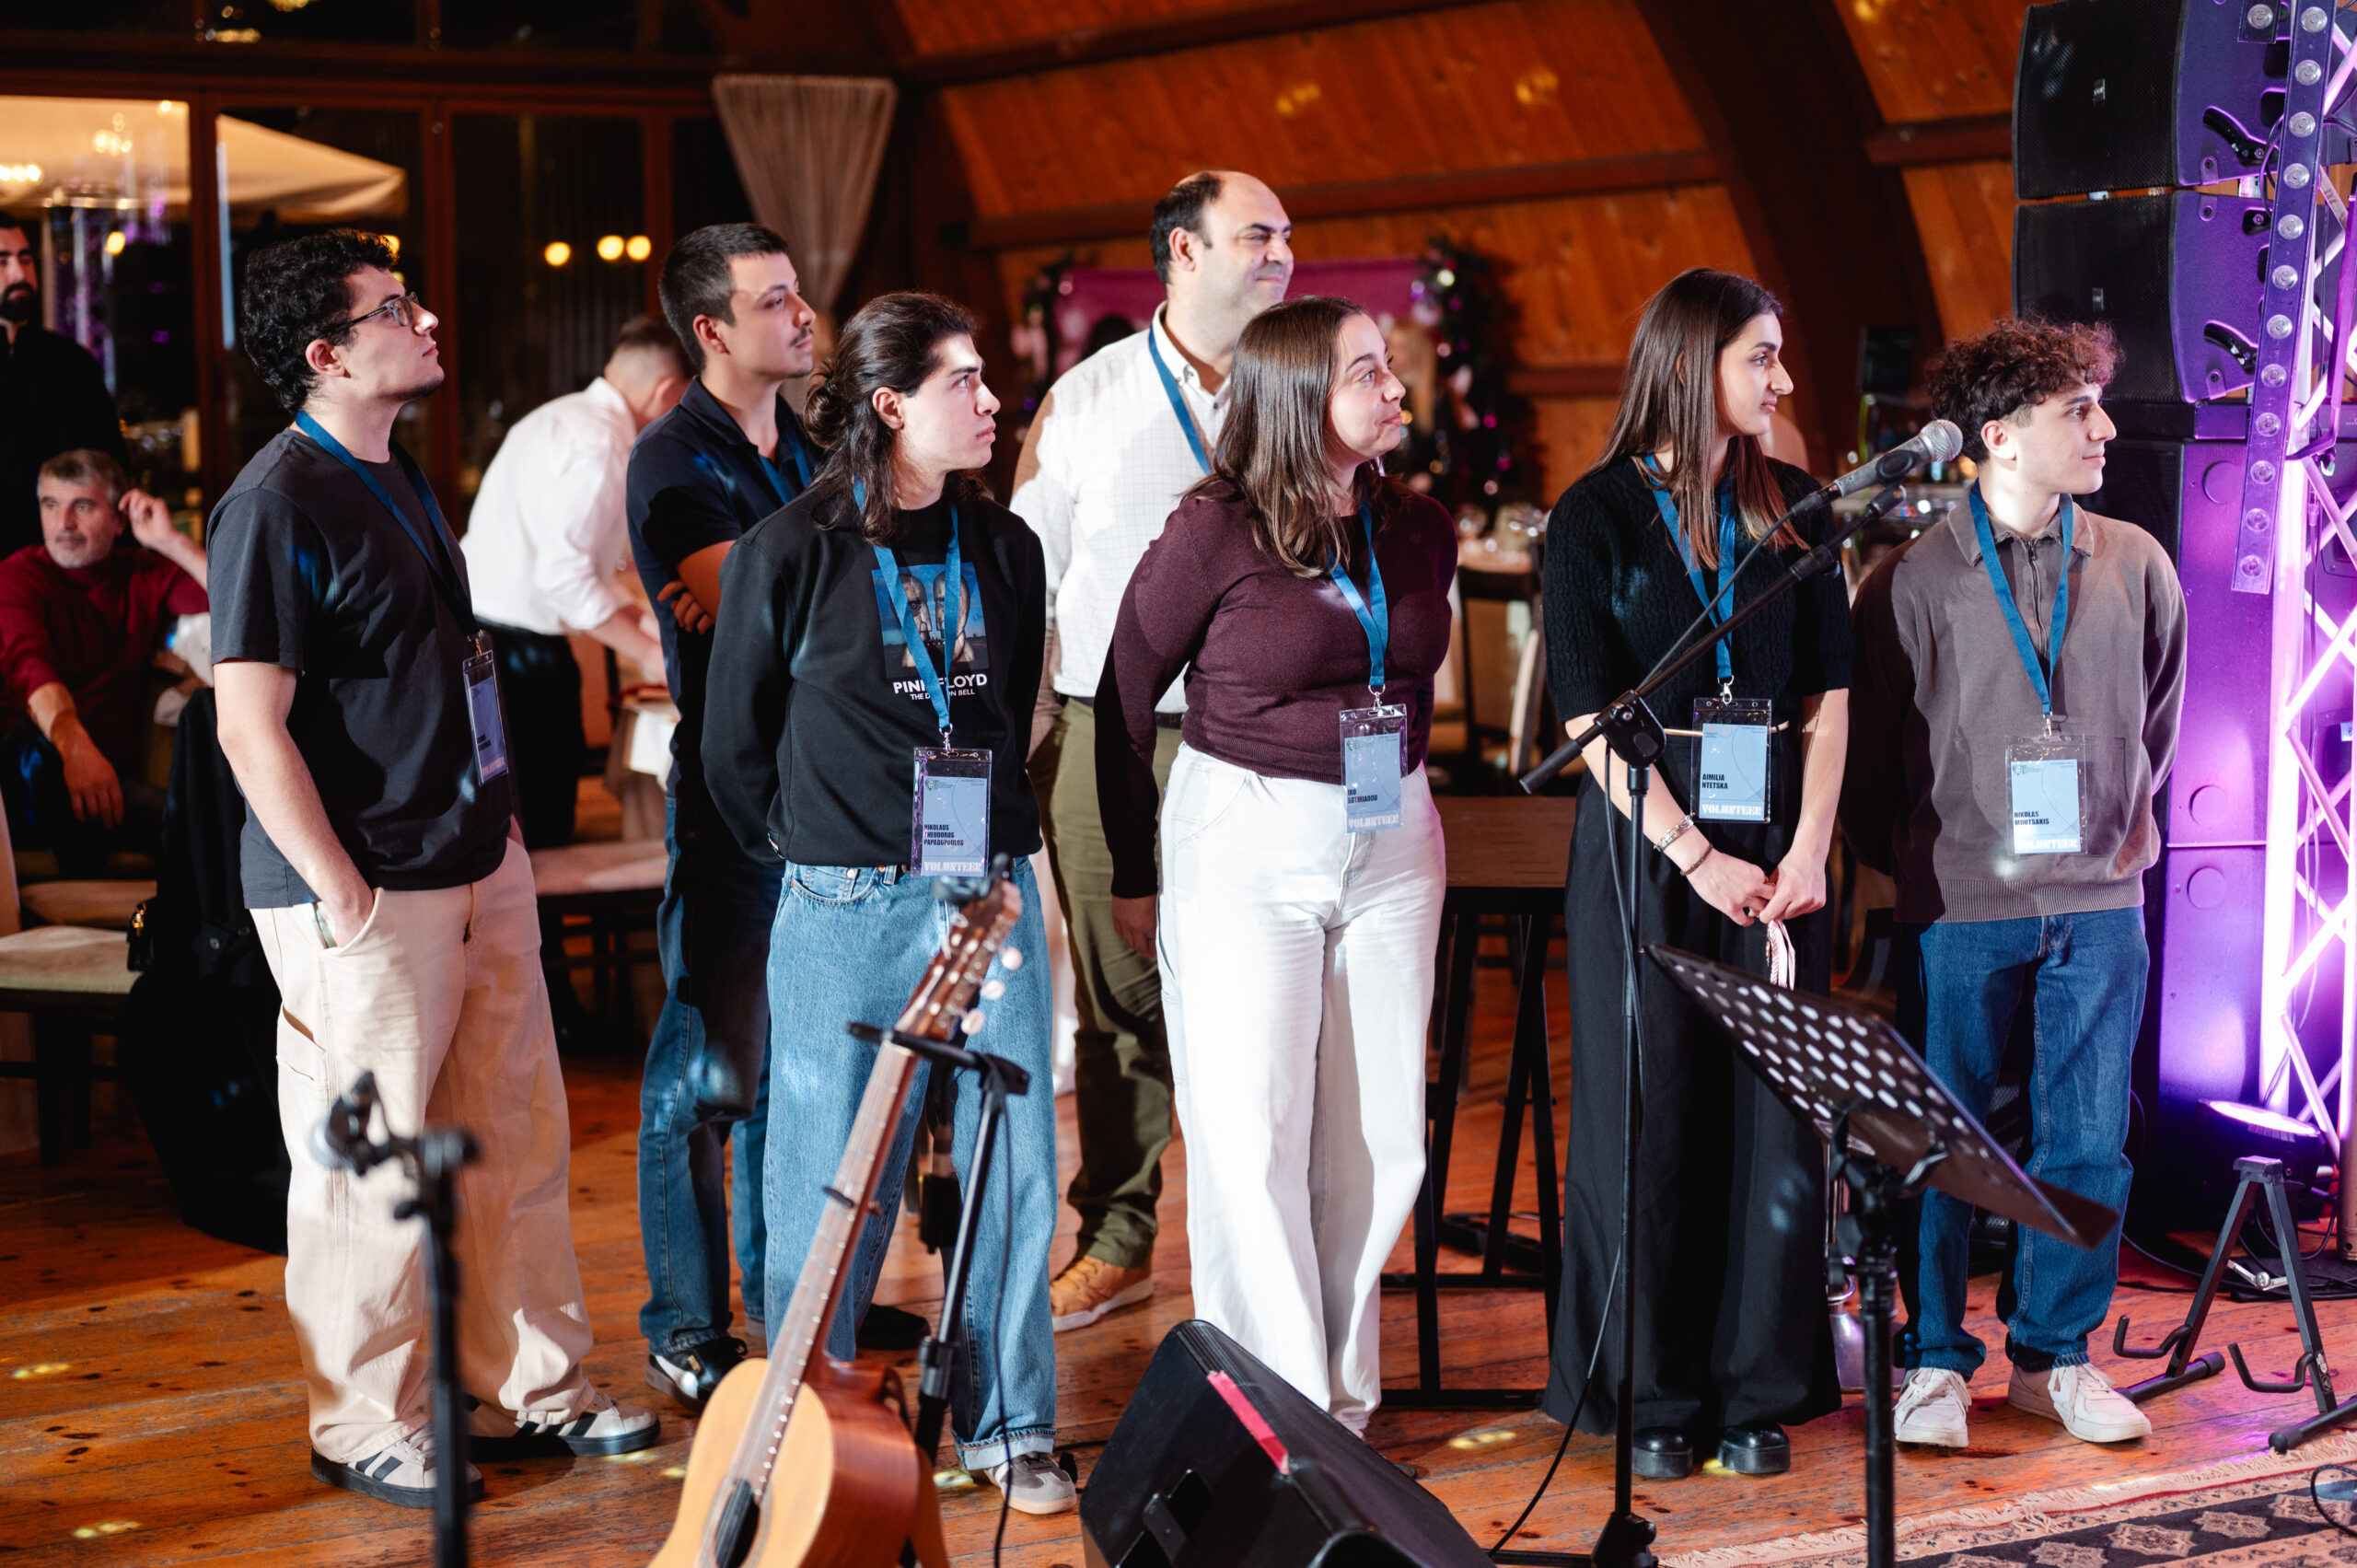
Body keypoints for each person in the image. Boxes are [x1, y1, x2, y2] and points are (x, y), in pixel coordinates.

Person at [207, 228, 656, 1509]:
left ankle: (526, 1385)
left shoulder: (397, 469)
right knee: (373, 1165)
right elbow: (248, 722)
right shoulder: (274, 500)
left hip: (472, 854)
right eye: (394, 309)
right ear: (326, 354)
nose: (428, 321)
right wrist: (343, 892)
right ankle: (363, 1419)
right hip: (365, 884)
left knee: (514, 1133)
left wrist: (498, 826)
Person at [701, 292, 1068, 1513]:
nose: (992, 400)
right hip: (847, 897)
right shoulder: (788, 548)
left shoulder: (1004, 544)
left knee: (1014, 1156)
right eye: (964, 380)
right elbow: (731, 744)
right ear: (890, 403)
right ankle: (809, 1425)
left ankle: (1011, 1424)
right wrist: (820, 845)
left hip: (989, 888)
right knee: (827, 1171)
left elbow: (1008, 707)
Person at [1096, 295, 1454, 1431]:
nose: (1393, 388)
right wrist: (1133, 868)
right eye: (1365, 372)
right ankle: (1272, 1413)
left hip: (1393, 835)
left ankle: (1341, 1406)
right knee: (1253, 1132)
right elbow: (1122, 693)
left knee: (1379, 1135)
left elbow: (1410, 672)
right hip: (1246, 838)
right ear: (1300, 397)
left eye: (1389, 366)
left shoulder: (1418, 523)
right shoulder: (1215, 528)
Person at [1847, 319, 2186, 1449]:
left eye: (2097, 403)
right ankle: (1935, 1358)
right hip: (1958, 905)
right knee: (1939, 1136)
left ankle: (2054, 1355)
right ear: (1995, 434)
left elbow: (2157, 720)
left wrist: (2107, 833)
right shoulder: (1907, 580)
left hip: (2102, 899)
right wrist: (1925, 863)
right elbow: (1873, 765)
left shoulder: (2136, 561)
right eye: (2074, 410)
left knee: (2086, 1140)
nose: (2104, 428)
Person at [1540, 267, 1848, 1480]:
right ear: (1689, 363)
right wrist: (1695, 854)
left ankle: (1754, 1385)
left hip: (1778, 846)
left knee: (1772, 1118)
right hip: (1650, 844)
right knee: (1649, 1110)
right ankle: (1648, 1388)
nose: (1782, 379)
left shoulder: (1800, 509)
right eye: (1759, 356)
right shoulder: (1593, 516)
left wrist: (1809, 847)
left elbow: (1828, 699)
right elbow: (1586, 710)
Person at [1011, 168, 1295, 1331]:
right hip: (1105, 730)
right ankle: (1117, 1235)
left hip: (1264, 737)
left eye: (1286, 236)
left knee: (1259, 992)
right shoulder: (1084, 400)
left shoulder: (1298, 388)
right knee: (1120, 998)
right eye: (1256, 235)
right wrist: (1029, 748)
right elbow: (1024, 580)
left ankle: (1262, 1243)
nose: (1281, 254)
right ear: (1183, 251)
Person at [627, 223, 852, 1413]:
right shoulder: (672, 462)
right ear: (710, 329)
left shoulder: (809, 441)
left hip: (821, 790)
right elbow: (787, 611)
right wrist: (830, 578)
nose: (802, 314)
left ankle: (782, 1304)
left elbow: (834, 594)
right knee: (703, 1069)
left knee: (793, 1069)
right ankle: (683, 1321)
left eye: (798, 292)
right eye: (773, 300)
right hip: (730, 795)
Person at [461, 313, 686, 848]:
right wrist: (651, 654)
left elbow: (572, 563)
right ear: (667, 391)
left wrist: (643, 620)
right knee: (541, 821)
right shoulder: (602, 445)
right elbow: (563, 579)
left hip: (482, 637)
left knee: (514, 817)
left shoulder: (557, 416)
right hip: (521, 655)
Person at [0, 447, 207, 872]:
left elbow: (243, 602)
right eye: (51, 505)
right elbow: (30, 667)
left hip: (110, 778)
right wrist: (73, 747)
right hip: (28, 774)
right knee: (37, 749)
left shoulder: (142, 573)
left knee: (205, 820)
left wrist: (172, 542)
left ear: (119, 520)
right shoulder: (18, 576)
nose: (63, 523)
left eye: (83, 506)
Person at [0, 215, 131, 557]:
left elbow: (110, 468)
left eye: (25, 259)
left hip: (64, 558)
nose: (19, 274)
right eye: (2, 262)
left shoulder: (71, 362)